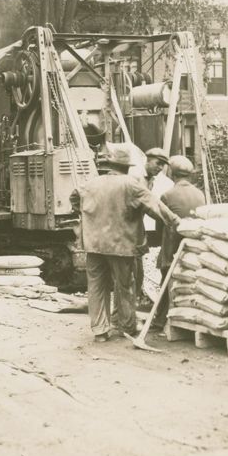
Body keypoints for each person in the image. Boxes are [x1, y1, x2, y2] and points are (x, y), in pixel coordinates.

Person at [72, 145, 181, 342]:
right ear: (126, 166)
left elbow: (74, 197)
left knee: (97, 287)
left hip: (93, 244)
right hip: (121, 245)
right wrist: (176, 222)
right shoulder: (131, 185)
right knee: (124, 286)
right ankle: (127, 327)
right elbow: (156, 207)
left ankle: (100, 331)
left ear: (108, 164)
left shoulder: (90, 184)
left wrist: (86, 214)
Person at [134, 147, 175, 304]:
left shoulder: (152, 180)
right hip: (130, 230)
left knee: (139, 270)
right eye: (158, 163)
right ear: (148, 160)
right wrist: (172, 221)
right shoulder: (137, 178)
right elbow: (149, 206)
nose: (160, 168)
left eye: (162, 165)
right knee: (131, 273)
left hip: (140, 229)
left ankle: (137, 301)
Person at [157, 156, 207, 275]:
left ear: (171, 174)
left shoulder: (167, 196)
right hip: (194, 243)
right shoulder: (200, 194)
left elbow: (159, 225)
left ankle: (165, 292)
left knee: (167, 275)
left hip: (173, 246)